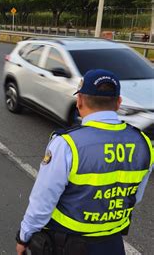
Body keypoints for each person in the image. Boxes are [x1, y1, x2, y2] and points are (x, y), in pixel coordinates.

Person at [16, 69, 153, 255]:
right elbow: (135, 197)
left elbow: (43, 201)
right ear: (119, 102)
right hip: (112, 244)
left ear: (79, 101)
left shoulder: (67, 144)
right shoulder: (143, 142)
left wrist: (24, 237)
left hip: (68, 244)